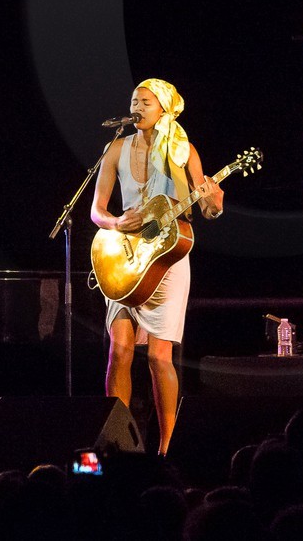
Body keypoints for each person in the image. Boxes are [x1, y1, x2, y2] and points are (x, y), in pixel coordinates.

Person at [90, 78, 223, 455]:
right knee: (120, 349)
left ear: (163, 108)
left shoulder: (184, 151)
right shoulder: (115, 148)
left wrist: (214, 201)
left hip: (167, 259)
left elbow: (207, 207)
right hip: (126, 255)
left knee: (159, 356)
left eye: (146, 102)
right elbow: (96, 211)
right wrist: (116, 223)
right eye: (134, 100)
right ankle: (116, 443)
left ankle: (167, 449)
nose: (138, 107)